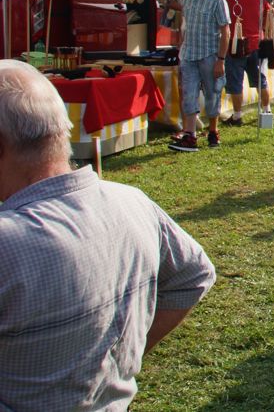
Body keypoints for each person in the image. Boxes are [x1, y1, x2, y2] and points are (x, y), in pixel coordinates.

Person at [0, 60, 216, 409]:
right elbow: (194, 274)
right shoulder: (132, 203)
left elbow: (195, 275)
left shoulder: (8, 242)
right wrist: (114, 363)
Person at [169, 0, 231, 152]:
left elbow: (225, 31)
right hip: (188, 54)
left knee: (212, 93)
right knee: (188, 93)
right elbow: (188, 20)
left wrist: (220, 59)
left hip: (209, 54)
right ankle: (190, 135)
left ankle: (213, 130)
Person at [219, 0, 272, 126]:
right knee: (260, 81)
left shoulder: (228, 1)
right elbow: (267, 15)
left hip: (236, 46)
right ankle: (267, 111)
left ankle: (237, 116)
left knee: (235, 82)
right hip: (256, 44)